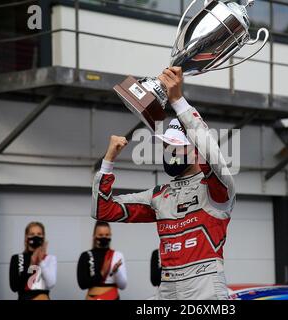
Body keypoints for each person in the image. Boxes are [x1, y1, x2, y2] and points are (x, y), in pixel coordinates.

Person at [91, 67, 236, 300]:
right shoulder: (159, 196)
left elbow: (211, 154)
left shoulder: (217, 189)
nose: (170, 151)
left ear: (195, 148)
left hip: (204, 286)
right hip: (166, 287)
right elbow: (102, 209)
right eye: (167, 145)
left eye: (177, 145)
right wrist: (108, 162)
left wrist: (177, 100)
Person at [77, 221, 127, 300]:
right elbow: (82, 284)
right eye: (100, 235)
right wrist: (102, 273)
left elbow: (123, 286)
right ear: (94, 236)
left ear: (110, 235)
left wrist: (116, 272)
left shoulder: (117, 255)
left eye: (107, 235)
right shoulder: (86, 255)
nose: (104, 237)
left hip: (112, 297)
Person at [9, 222, 57, 300]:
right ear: (26, 237)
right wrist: (32, 264)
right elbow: (14, 287)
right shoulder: (17, 258)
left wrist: (41, 262)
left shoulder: (50, 258)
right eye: (32, 234)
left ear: (43, 237)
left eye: (39, 234)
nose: (36, 237)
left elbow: (50, 284)